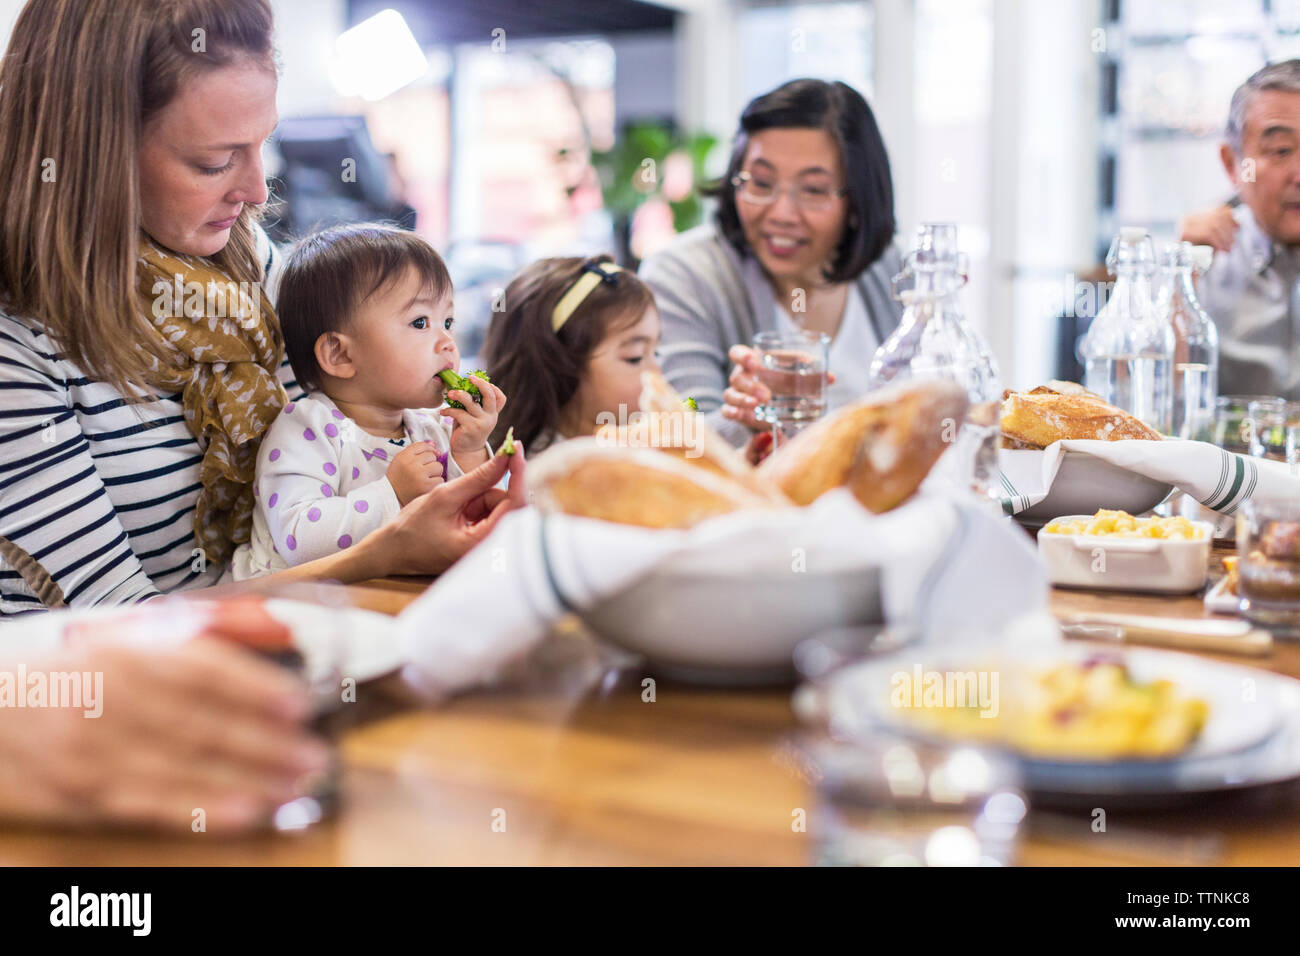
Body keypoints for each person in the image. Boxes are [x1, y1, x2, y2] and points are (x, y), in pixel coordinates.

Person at [0, 0, 525, 615]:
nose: (256, 190)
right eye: (216, 160)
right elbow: (117, 623)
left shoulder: (250, 264)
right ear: (94, 152)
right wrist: (385, 549)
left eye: (262, 146)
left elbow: (350, 445)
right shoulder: (20, 345)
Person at [638, 78, 903, 453]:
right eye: (760, 183)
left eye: (813, 190)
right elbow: (680, 428)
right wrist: (744, 422)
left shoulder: (890, 268)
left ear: (859, 199)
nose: (781, 214)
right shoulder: (684, 275)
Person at [232, 223, 508, 578]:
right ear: (340, 355)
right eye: (421, 322)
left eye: (449, 321)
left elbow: (472, 520)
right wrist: (391, 493)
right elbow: (298, 539)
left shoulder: (432, 427)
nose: (448, 343)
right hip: (287, 604)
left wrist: (470, 451)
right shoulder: (307, 428)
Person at [1178, 59, 1300, 399]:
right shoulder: (1204, 259)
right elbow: (1152, 414)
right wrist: (1180, 281)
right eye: (1282, 151)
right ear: (1233, 164)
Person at [480, 255, 659, 455]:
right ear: (559, 365)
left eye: (656, 353)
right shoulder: (545, 474)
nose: (656, 372)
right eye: (634, 357)